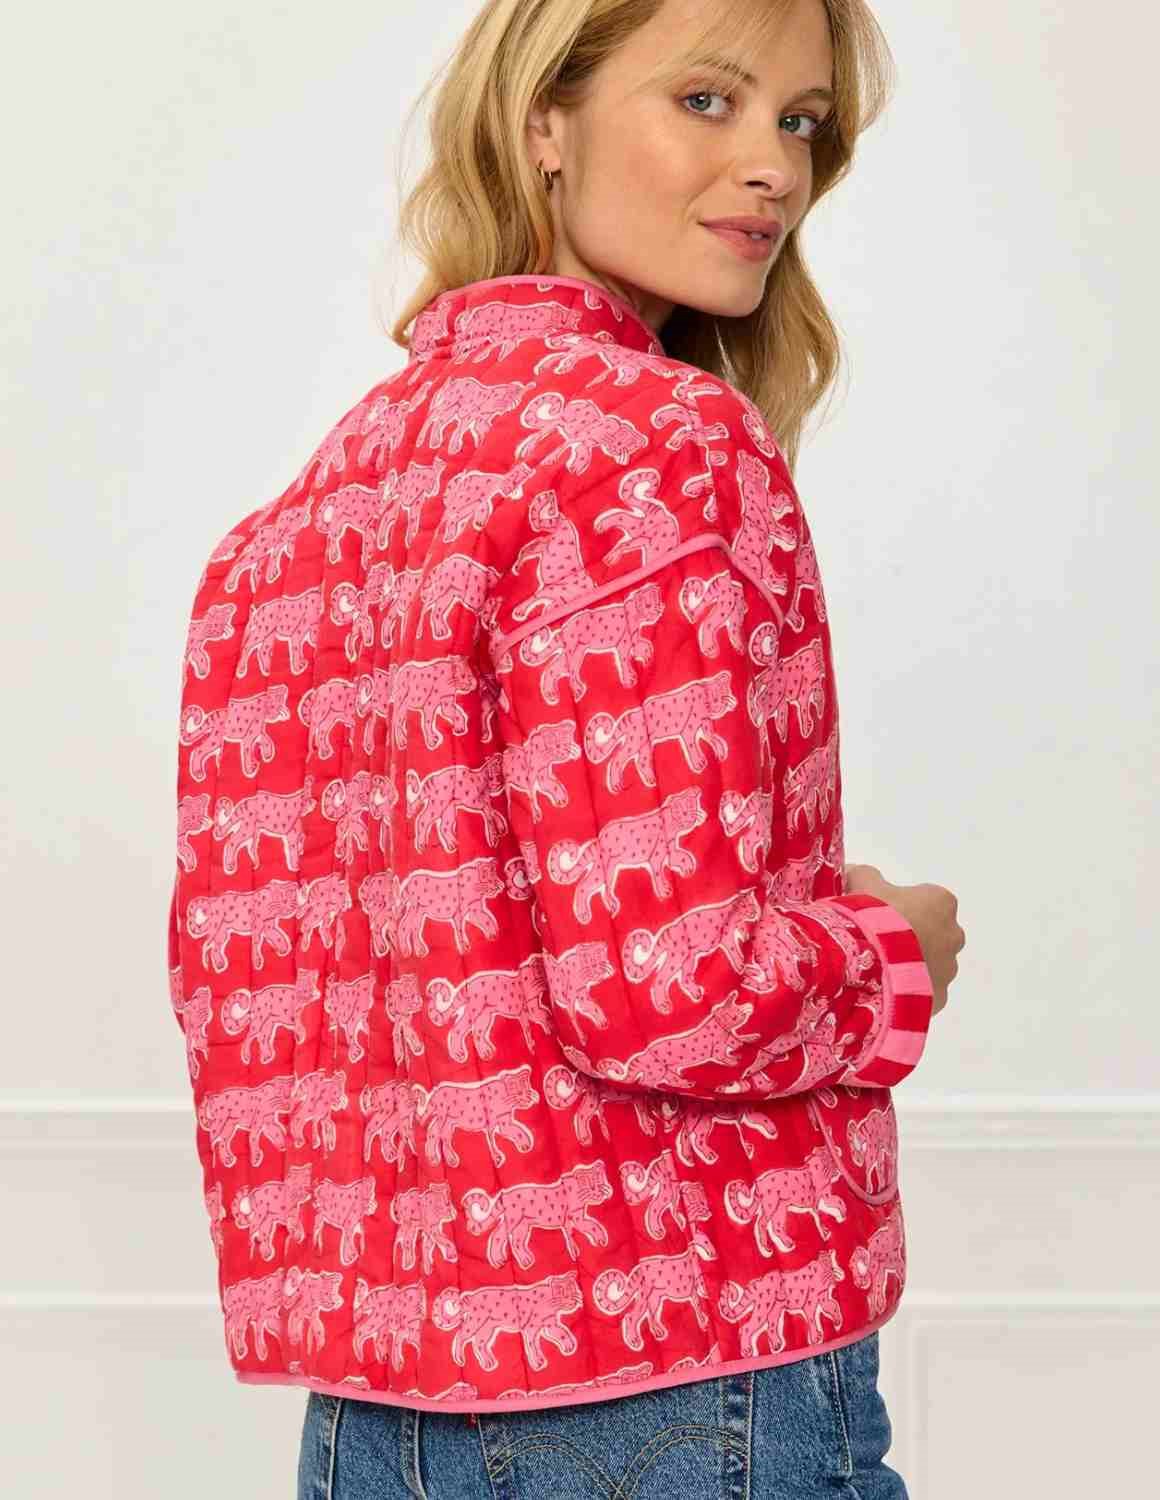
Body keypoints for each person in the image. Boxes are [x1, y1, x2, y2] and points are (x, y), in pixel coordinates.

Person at [168, 0, 966, 1495]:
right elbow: (676, 992)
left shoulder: (319, 506)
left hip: (376, 1401)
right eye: (708, 100)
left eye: (799, 122)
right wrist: (891, 952)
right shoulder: (663, 442)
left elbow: (253, 984)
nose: (774, 167)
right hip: (689, 1367)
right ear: (546, 119)